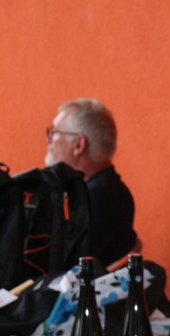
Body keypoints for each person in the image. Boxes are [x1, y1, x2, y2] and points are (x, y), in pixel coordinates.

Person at [45, 98, 138, 267]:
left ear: (78, 145)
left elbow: (60, 264)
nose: (49, 141)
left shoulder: (100, 198)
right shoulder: (106, 190)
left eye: (54, 132)